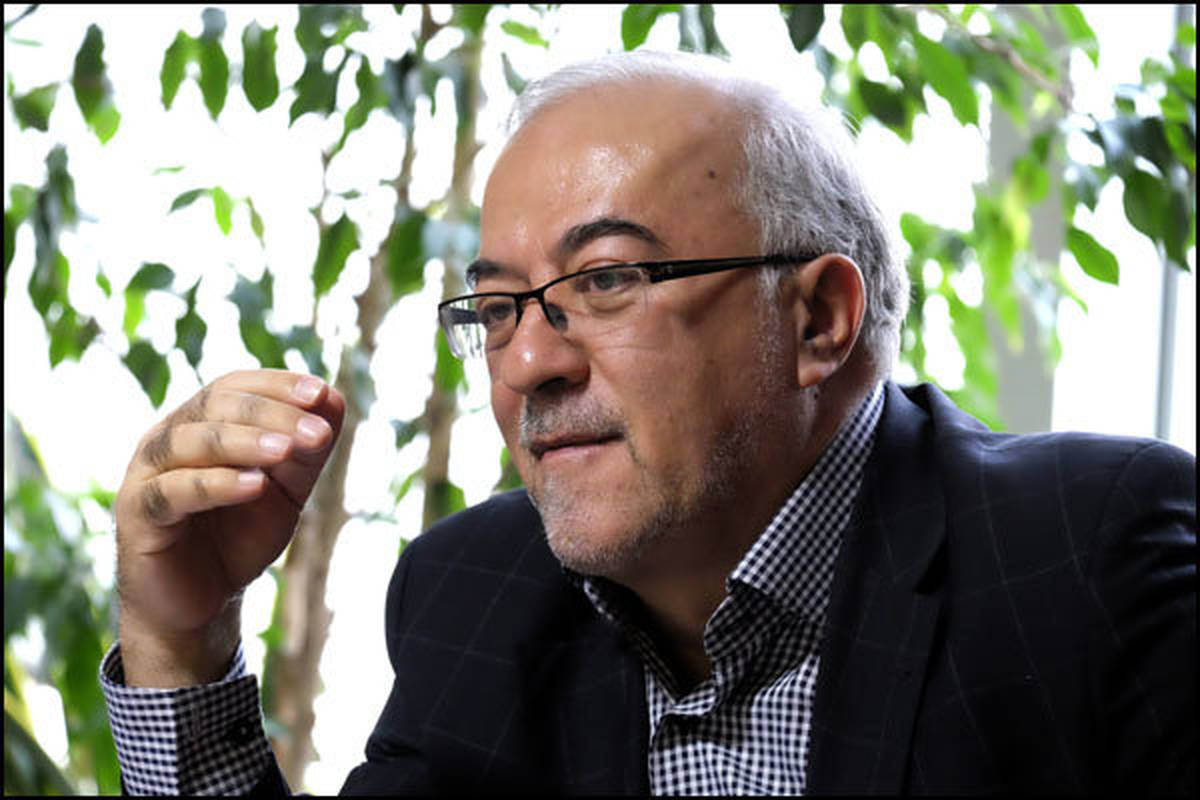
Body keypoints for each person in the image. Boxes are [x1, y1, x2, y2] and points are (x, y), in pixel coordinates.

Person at [102, 50, 1196, 795]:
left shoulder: (1090, 557)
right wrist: (179, 643)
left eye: (608, 280)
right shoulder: (473, 593)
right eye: (497, 306)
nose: (527, 361)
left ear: (819, 318)